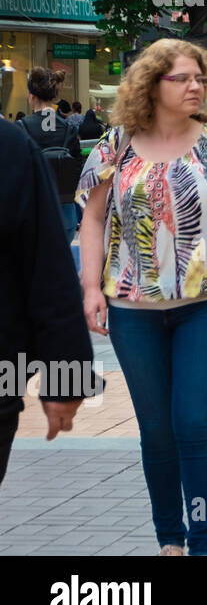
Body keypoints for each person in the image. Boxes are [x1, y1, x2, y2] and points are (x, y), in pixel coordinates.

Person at [78, 38, 207, 555]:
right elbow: (92, 217)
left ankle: (203, 543)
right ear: (152, 84)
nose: (197, 85)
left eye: (201, 76)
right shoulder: (117, 144)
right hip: (133, 310)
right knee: (156, 430)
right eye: (183, 78)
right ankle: (169, 538)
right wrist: (89, 288)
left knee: (193, 423)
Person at [0, 115, 97, 488]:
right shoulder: (11, 146)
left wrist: (66, 378)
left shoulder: (12, 148)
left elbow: (47, 272)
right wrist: (65, 380)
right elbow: (48, 268)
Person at [19, 67, 83, 243]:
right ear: (55, 96)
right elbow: (77, 169)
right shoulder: (69, 129)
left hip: (32, 212)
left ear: (32, 96)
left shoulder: (22, 127)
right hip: (65, 212)